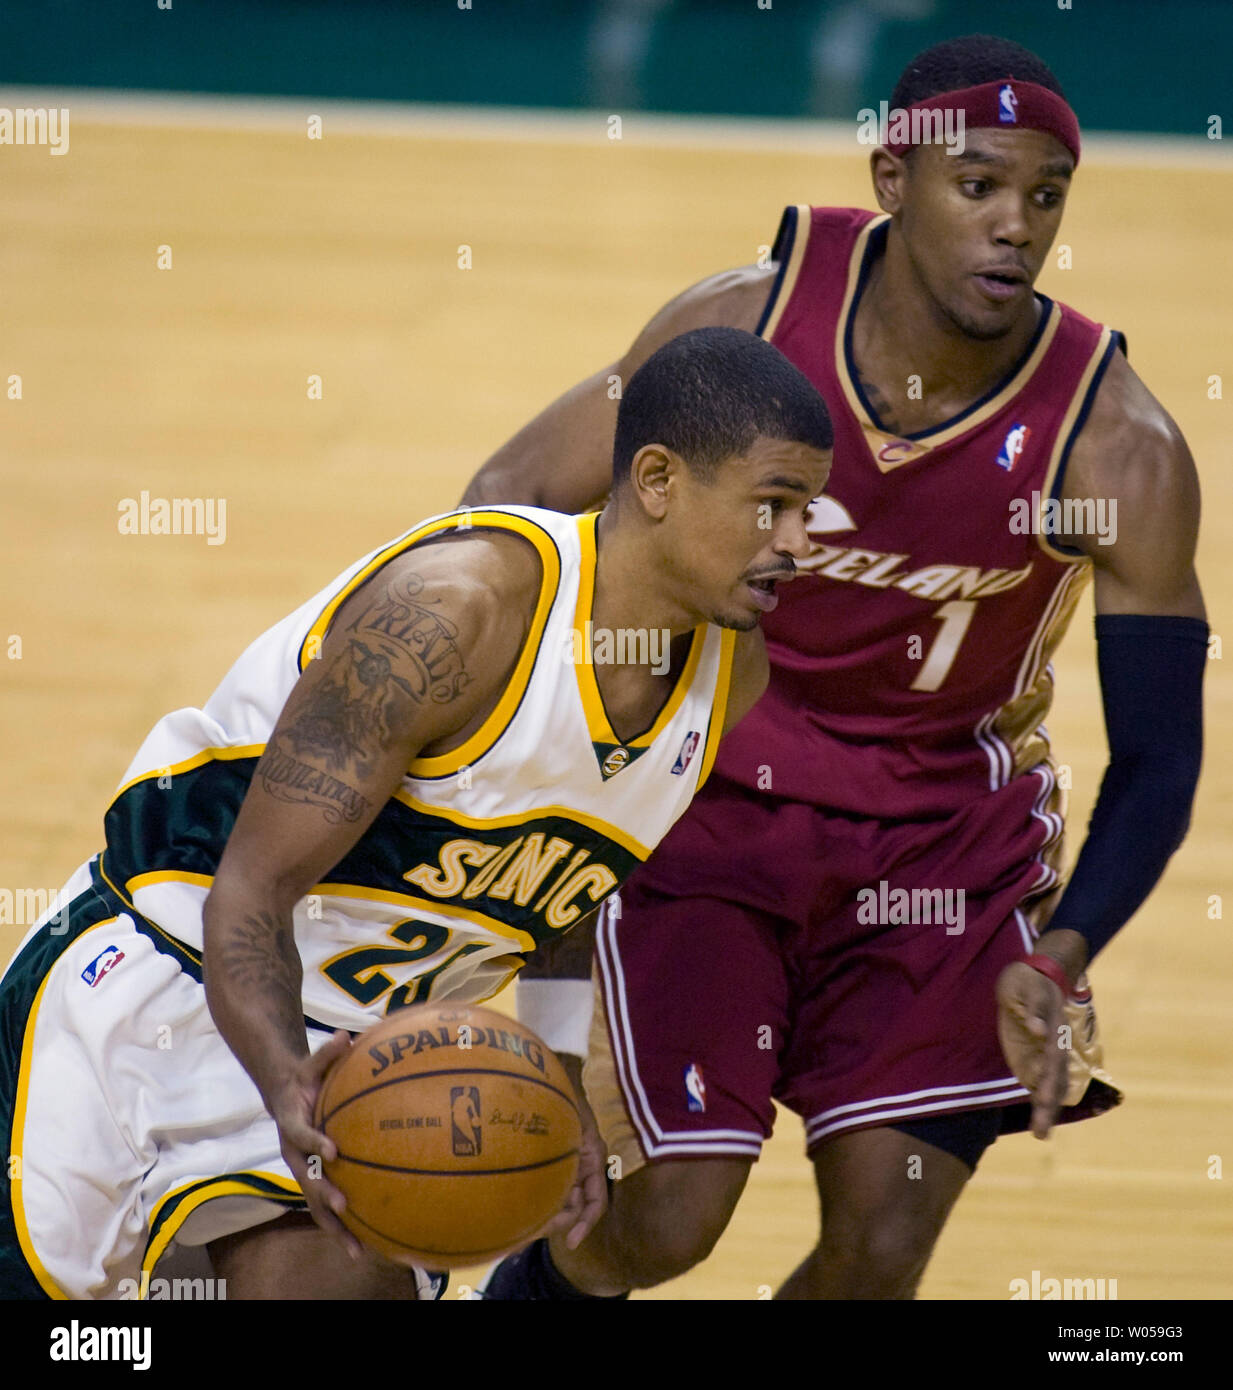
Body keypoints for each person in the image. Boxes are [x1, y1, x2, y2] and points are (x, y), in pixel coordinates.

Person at [467, 35, 1207, 1300]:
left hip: (941, 853)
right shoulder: (741, 322)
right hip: (708, 809)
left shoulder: (1114, 444)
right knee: (667, 1220)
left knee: (879, 1252)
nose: (1014, 227)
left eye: (1044, 197)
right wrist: (563, 756)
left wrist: (1063, 951)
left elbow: (1160, 753)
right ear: (891, 180)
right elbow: (512, 495)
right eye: (977, 186)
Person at [0, 327, 832, 1300]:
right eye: (770, 505)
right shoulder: (454, 617)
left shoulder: (728, 679)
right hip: (161, 987)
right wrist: (285, 1088)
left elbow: (563, 893)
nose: (797, 544)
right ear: (656, 479)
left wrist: (557, 1078)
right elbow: (249, 894)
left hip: (373, 1053)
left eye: (809, 511)